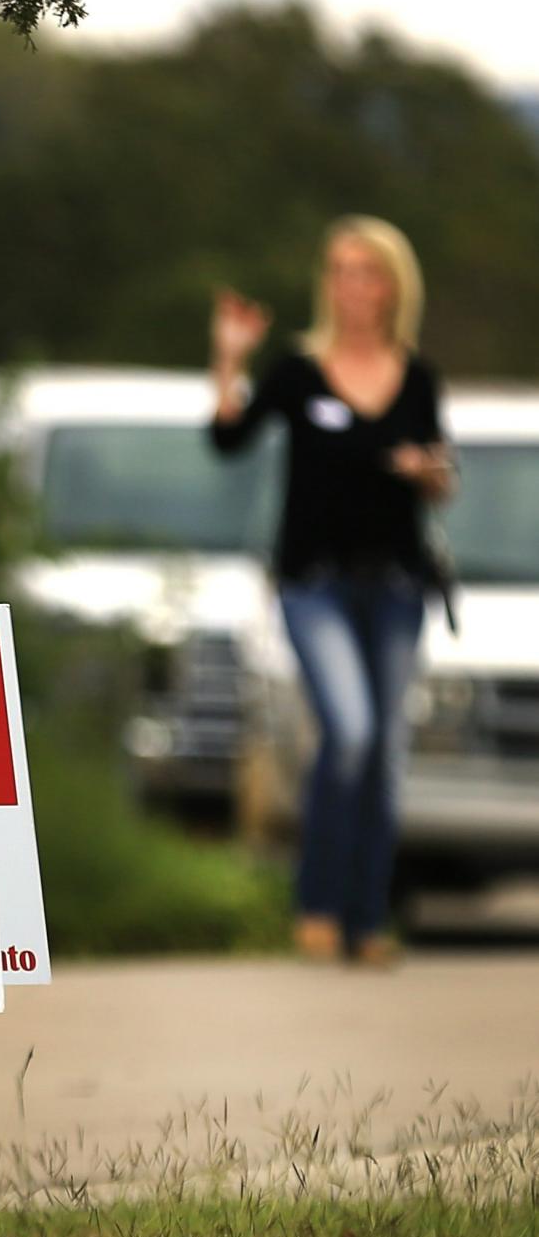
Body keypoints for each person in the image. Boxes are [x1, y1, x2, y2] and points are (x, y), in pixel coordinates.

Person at [208, 216, 455, 967]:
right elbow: (228, 439)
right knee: (347, 730)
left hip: (397, 585)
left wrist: (427, 471)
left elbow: (442, 478)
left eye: (367, 270)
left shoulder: (418, 377)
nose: (352, 284)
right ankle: (316, 902)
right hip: (314, 584)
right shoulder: (298, 373)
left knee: (384, 751)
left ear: (391, 286)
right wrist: (228, 362)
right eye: (341, 269)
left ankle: (366, 919)